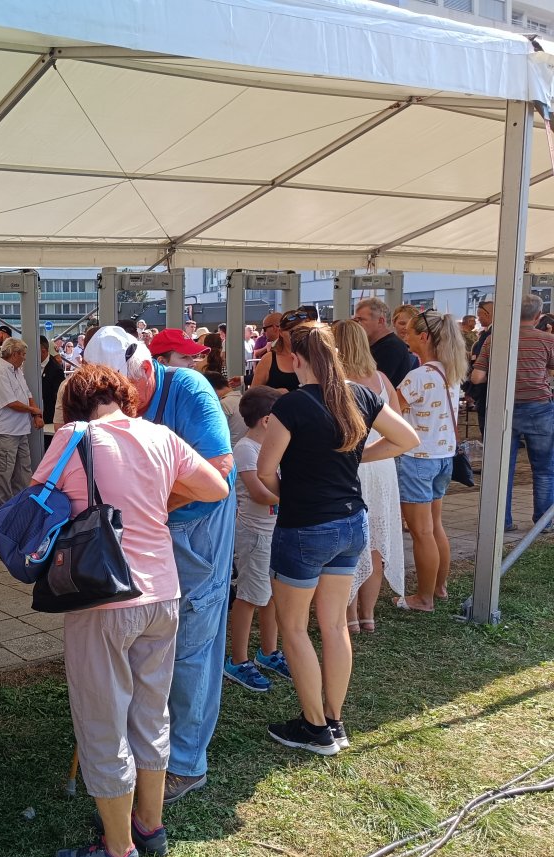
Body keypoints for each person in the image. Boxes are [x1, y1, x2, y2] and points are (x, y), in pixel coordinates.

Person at [36, 365, 228, 857]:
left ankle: (118, 851)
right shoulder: (161, 436)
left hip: (101, 596)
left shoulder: (74, 437)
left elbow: (38, 502)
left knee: (102, 724)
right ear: (123, 397)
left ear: (74, 404)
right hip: (162, 592)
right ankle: (149, 823)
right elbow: (217, 485)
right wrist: (161, 502)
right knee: (151, 713)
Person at [83, 326, 234, 804]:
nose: (122, 407)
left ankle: (186, 764)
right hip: (151, 534)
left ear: (148, 369)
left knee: (191, 642)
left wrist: (152, 506)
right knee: (151, 643)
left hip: (196, 531)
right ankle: (147, 747)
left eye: (128, 394)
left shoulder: (189, 388)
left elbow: (220, 469)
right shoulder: (119, 399)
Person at [256, 323, 417, 755]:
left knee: (294, 627)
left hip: (304, 526)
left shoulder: (292, 404)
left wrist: (289, 492)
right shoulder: (359, 394)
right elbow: (407, 438)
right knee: (333, 625)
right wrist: (359, 455)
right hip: (351, 522)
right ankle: (334, 720)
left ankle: (314, 728)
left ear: (295, 359)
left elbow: (265, 470)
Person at [332, 320, 406, 632]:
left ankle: (349, 616)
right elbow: (400, 424)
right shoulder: (381, 379)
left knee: (351, 542)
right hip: (382, 463)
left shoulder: (335, 383)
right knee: (376, 540)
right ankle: (368, 615)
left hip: (350, 463)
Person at [395, 310, 467, 612]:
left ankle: (424, 598)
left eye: (409, 332)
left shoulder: (418, 376)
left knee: (421, 532)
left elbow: (390, 413)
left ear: (423, 337)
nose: (405, 336)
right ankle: (438, 587)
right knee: (435, 526)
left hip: (416, 459)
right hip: (443, 457)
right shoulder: (451, 371)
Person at [471, 293, 554, 534]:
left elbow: (477, 377)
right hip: (540, 408)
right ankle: (543, 522)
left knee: (501, 469)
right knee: (544, 468)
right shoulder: (548, 340)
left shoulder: (495, 339)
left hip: (503, 409)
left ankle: (501, 521)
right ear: (538, 316)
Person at [224, 387, 289, 693]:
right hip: (255, 535)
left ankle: (268, 652)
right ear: (267, 420)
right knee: (250, 596)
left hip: (273, 531)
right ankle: (238, 660)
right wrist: (295, 499)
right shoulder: (246, 449)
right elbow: (260, 494)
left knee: (270, 594)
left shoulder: (272, 448)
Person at [0, 337, 42, 504]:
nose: (24, 358)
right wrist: (34, 411)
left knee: (23, 473)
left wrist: (36, 415)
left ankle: (21, 508)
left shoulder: (16, 371)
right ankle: (3, 512)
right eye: (23, 354)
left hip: (19, 430)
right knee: (4, 476)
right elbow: (10, 402)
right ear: (14, 354)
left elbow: (27, 394)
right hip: (4, 431)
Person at [353, 298, 413, 386]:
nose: (356, 324)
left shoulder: (392, 347)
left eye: (361, 319)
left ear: (380, 321)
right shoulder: (375, 345)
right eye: (355, 320)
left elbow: (371, 384)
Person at [253, 309, 309, 392]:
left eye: (303, 332)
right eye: (292, 332)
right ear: (281, 332)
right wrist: (273, 393)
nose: (299, 336)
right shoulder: (269, 359)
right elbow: (251, 395)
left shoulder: (313, 358)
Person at [467, 299, 494, 435]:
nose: (478, 319)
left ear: (487, 314)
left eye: (479, 315)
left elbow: (479, 359)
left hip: (485, 385)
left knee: (486, 421)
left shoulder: (489, 335)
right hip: (487, 383)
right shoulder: (488, 333)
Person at [204, 371, 246, 454]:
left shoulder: (223, 404)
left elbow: (215, 434)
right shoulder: (242, 398)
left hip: (230, 451)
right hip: (242, 449)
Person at [39, 335, 64, 444]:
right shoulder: (31, 366)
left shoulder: (55, 369)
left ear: (43, 351)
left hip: (49, 418)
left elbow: (57, 395)